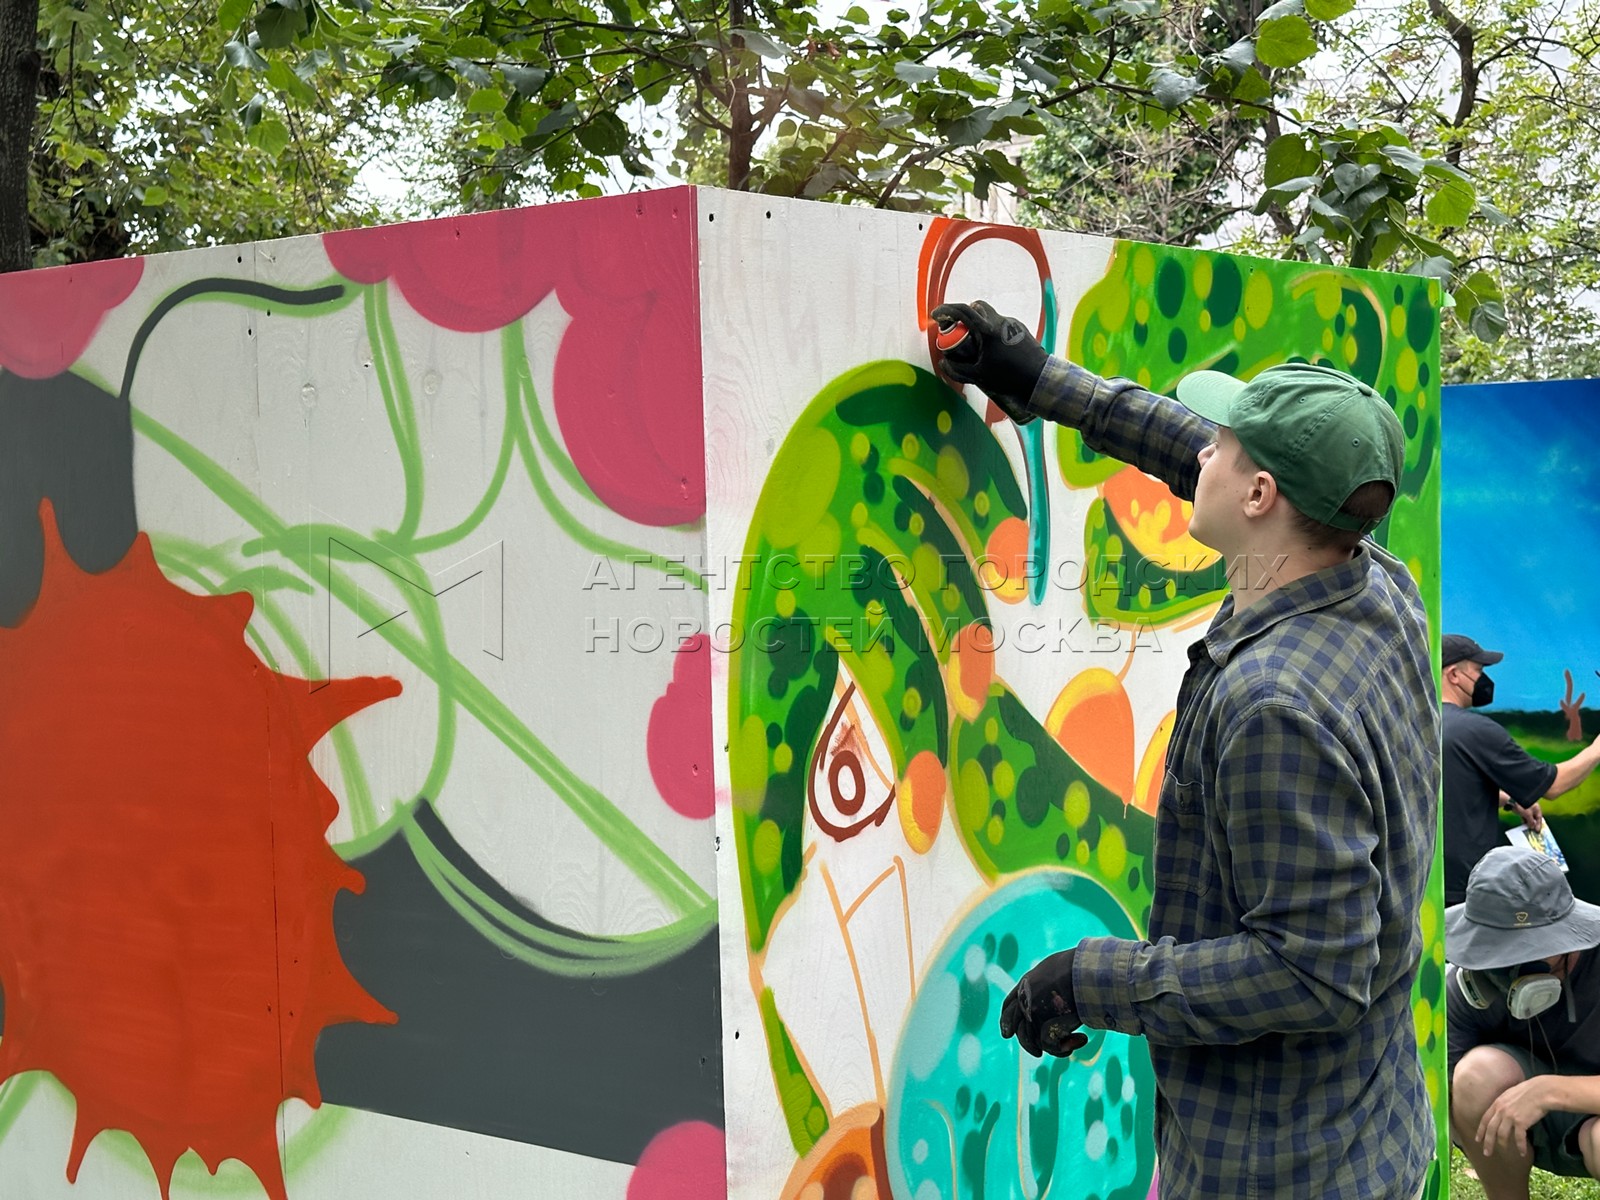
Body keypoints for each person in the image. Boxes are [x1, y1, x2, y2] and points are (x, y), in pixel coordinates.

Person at [932, 301, 1439, 1199]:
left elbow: (1314, 972)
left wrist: (1093, 979)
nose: (1203, 452)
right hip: (1364, 1129)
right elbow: (1197, 452)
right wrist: (1044, 382)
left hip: (1277, 1170)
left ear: (1259, 497)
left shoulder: (1274, 706)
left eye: (1225, 447)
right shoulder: (1375, 581)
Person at [1447, 846, 1600, 1198]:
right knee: (1477, 1074)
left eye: (1527, 950)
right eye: (1494, 950)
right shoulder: (1471, 987)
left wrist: (1548, 1091)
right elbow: (1433, 1097)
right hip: (1527, 1125)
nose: (1507, 971)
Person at [1442, 634, 1600, 905]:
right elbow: (1554, 785)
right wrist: (1596, 749)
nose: (1484, 680)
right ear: (1454, 675)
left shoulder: (1416, 725)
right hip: (1467, 892)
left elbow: (1446, 784)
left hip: (1428, 886)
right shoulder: (1475, 730)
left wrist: (1509, 799)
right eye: (1478, 670)